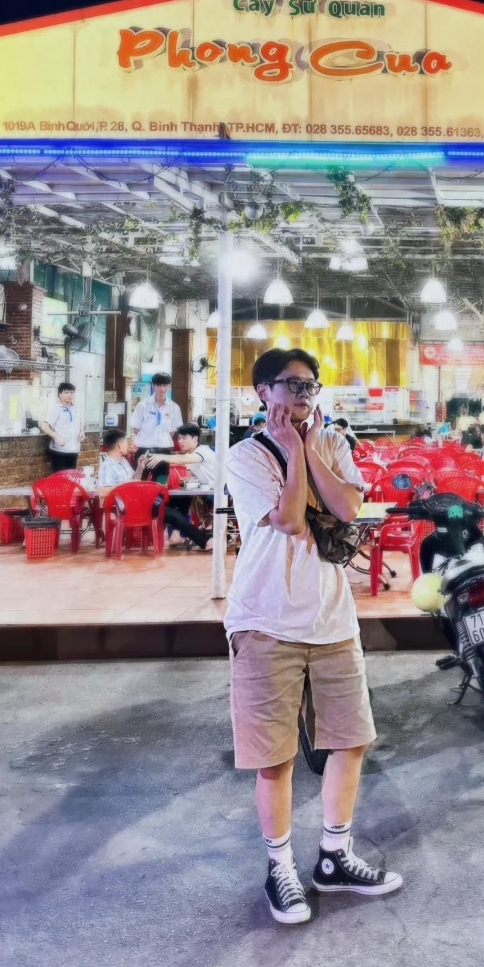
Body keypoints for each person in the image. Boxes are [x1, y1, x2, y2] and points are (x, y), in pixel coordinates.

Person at [224, 346, 401, 925]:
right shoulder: (244, 456)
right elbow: (290, 518)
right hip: (266, 619)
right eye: (290, 385)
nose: (302, 394)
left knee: (350, 740)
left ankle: (335, 854)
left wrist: (309, 447)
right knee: (274, 757)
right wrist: (295, 450)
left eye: (310, 386)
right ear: (262, 393)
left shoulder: (333, 442)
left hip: (331, 619)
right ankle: (280, 867)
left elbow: (348, 508)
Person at [100, 428, 212, 550]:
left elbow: (135, 478)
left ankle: (184, 536)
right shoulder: (107, 465)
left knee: (179, 501)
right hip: (126, 507)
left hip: (138, 503)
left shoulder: (123, 461)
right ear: (119, 445)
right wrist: (127, 485)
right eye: (126, 442)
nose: (130, 444)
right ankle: (204, 541)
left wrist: (139, 467)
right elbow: (101, 491)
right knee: (172, 515)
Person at [130, 372, 183, 454]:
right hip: (144, 448)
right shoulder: (142, 405)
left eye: (165, 385)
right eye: (159, 385)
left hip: (164, 449)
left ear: (169, 386)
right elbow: (136, 428)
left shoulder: (174, 407)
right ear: (153, 386)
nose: (162, 389)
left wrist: (161, 440)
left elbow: (173, 431)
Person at [42, 381, 84, 472]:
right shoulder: (56, 409)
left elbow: (80, 423)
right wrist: (56, 437)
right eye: (66, 392)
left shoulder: (77, 408)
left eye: (72, 392)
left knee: (70, 476)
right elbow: (44, 426)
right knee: (59, 478)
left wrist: (82, 432)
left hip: (73, 450)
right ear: (60, 395)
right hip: (60, 450)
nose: (70, 395)